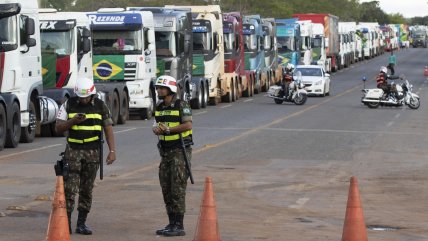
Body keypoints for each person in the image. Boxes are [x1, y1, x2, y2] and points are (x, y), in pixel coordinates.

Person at [55, 77, 116, 235]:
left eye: (86, 97)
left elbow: (108, 128)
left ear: (92, 95)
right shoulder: (68, 104)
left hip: (93, 153)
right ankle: (65, 223)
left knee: (86, 189)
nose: (83, 100)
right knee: (69, 189)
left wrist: (112, 151)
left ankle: (81, 223)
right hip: (73, 152)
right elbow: (58, 128)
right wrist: (73, 121)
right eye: (80, 97)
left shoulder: (100, 106)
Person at [153, 75, 193, 237]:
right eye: (158, 88)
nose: (159, 90)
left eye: (162, 88)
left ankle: (179, 224)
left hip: (179, 151)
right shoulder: (159, 107)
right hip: (165, 151)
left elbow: (188, 124)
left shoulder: (181, 105)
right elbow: (158, 125)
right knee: (166, 187)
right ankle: (171, 222)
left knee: (177, 188)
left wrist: (169, 130)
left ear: (170, 89)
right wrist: (156, 129)